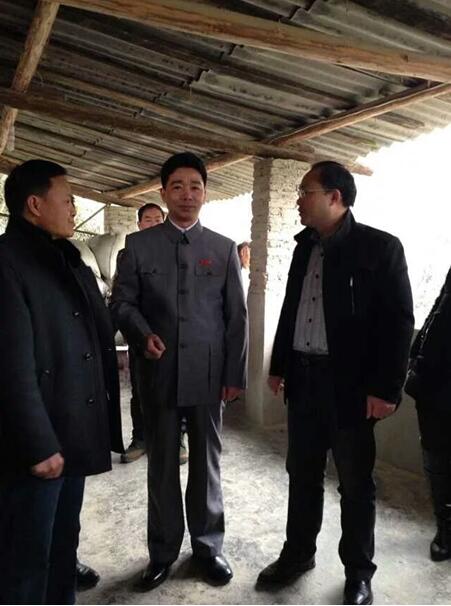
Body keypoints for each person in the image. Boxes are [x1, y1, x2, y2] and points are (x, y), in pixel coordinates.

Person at [257, 161, 414, 605]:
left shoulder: (380, 248)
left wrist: (386, 390)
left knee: (355, 484)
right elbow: (291, 309)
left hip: (351, 387)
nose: (298, 201)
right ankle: (298, 554)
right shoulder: (305, 247)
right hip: (304, 379)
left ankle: (359, 572)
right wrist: (279, 364)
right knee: (302, 474)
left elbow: (399, 323)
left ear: (335, 197)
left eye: (305, 192)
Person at [111, 152, 248, 591]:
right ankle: (163, 552)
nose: (187, 195)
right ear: (164, 192)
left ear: (205, 193)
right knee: (162, 465)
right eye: (178, 186)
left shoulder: (223, 248)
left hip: (208, 376)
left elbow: (237, 318)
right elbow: (122, 303)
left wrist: (234, 375)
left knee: (206, 464)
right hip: (159, 373)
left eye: (195, 186)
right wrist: (142, 333)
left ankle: (208, 548)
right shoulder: (139, 247)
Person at [0, 160, 123, 605]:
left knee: (62, 544)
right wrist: (38, 445)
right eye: (68, 199)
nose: (74, 209)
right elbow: (10, 366)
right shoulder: (7, 262)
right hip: (37, 444)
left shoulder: (65, 257)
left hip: (71, 429)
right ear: (35, 205)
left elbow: (93, 328)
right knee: (25, 557)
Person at [405, 268, 451, 562]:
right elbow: (440, 305)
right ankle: (445, 528)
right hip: (435, 378)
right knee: (435, 455)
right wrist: (416, 352)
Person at [121, 203, 165, 464]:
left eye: (158, 219)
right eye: (148, 219)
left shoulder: (177, 251)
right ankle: (140, 438)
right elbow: (123, 299)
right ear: (139, 225)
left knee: (175, 389)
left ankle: (177, 439)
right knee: (140, 389)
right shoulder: (128, 253)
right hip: (139, 333)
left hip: (171, 336)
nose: (153, 223)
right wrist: (139, 332)